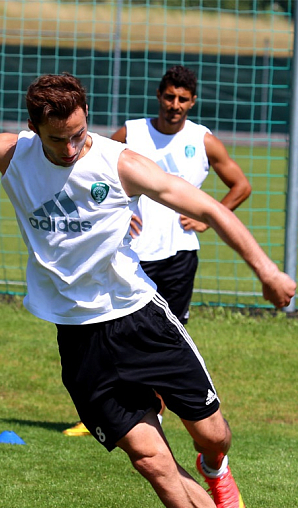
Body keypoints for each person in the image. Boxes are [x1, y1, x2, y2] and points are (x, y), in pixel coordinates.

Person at [0, 73, 296, 508]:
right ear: (34, 129)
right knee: (151, 460)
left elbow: (207, 207)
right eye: (59, 139)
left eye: (79, 133)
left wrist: (267, 272)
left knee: (212, 435)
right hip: (80, 340)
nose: (72, 147)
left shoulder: (119, 163)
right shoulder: (14, 154)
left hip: (141, 322)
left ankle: (215, 466)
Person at [63, 65, 251, 439]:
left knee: (166, 339)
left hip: (178, 257)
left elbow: (241, 185)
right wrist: (113, 213)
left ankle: (157, 416)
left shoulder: (203, 140)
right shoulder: (131, 133)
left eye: (182, 99)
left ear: (192, 102)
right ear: (158, 96)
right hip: (129, 257)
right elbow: (92, 172)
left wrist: (208, 218)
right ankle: (105, 408)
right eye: (169, 97)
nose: (174, 105)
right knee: (109, 332)